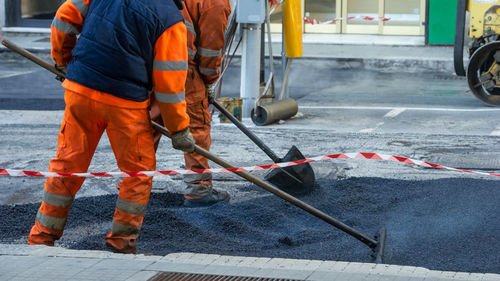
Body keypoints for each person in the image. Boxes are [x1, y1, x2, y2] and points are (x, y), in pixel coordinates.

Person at [27, 0, 195, 254]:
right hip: (125, 103)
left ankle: (41, 238)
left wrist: (63, 61)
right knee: (138, 173)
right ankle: (121, 242)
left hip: (81, 89)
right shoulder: (170, 19)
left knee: (68, 165)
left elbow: (63, 18)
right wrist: (179, 129)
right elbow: (169, 85)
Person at [150, 0, 232, 207]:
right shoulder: (215, 2)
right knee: (196, 126)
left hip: (148, 62)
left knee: (146, 124)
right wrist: (209, 81)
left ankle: (133, 185)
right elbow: (210, 49)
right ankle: (199, 190)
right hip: (182, 69)